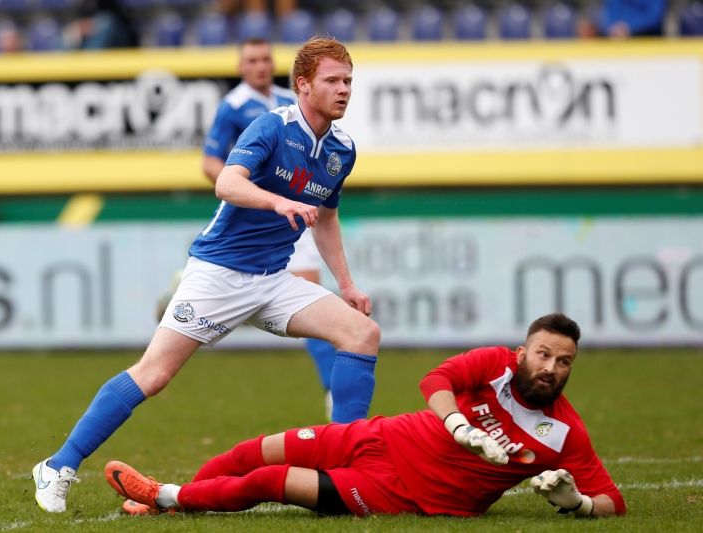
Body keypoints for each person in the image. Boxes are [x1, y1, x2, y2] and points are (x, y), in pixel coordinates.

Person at [32, 36, 380, 514]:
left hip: (272, 280)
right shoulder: (270, 127)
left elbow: (328, 218)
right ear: (302, 85)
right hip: (218, 274)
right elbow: (225, 182)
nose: (344, 90)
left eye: (348, 81)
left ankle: (341, 471)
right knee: (153, 375)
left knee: (361, 333)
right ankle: (58, 465)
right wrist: (276, 200)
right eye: (332, 81)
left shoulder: (341, 149)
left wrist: (346, 284)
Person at [105, 313, 626, 518]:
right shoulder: (494, 364)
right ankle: (170, 510)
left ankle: (165, 495)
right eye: (543, 354)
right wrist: (461, 427)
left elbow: (614, 504)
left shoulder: (563, 434)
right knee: (252, 450)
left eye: (564, 361)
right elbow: (435, 382)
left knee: (269, 479)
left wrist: (578, 503)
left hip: (401, 492)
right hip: (377, 436)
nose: (552, 367)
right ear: (522, 352)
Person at [200, 36, 338, 418]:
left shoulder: (288, 102)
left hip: (294, 219)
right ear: (241, 67)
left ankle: (331, 390)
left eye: (265, 59)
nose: (260, 66)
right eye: (252, 61)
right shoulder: (233, 107)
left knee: (315, 296)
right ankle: (184, 293)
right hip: (253, 219)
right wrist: (252, 189)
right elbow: (211, 163)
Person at [63, 0, 138, 50]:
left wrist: (90, 25)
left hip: (120, 34)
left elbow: (113, 15)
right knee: (69, 34)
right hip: (82, 33)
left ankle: (87, 68)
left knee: (106, 23)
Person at [578, 0, 667, 38]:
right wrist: (613, 27)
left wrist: (628, 28)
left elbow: (655, 17)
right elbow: (610, 13)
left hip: (649, 44)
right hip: (619, 45)